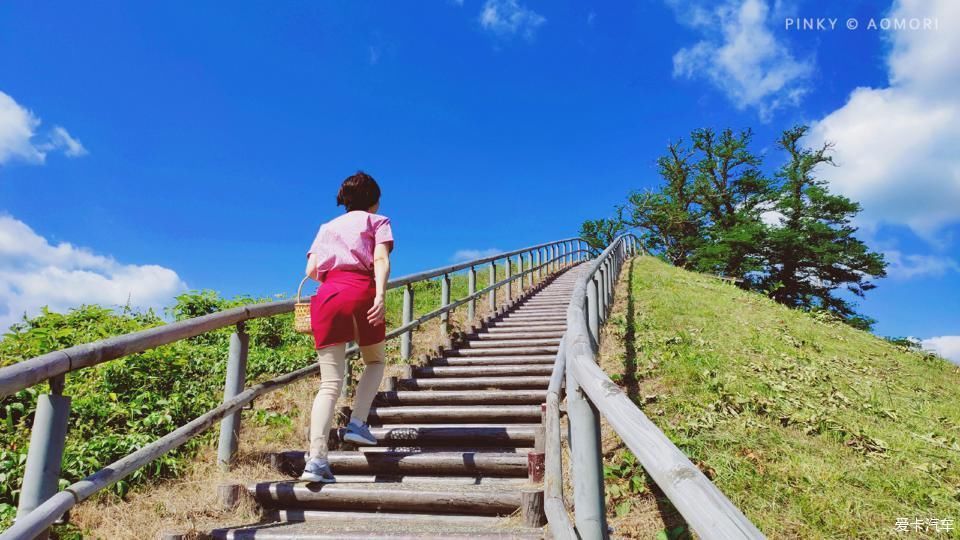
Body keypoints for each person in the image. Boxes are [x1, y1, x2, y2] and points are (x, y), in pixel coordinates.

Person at [300, 171, 393, 483]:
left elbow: (312, 269)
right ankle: (356, 424)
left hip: (327, 296)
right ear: (374, 201)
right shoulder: (376, 222)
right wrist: (380, 293)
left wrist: (334, 282)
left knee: (329, 383)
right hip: (361, 290)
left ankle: (316, 461)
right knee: (376, 360)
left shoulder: (327, 227)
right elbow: (380, 260)